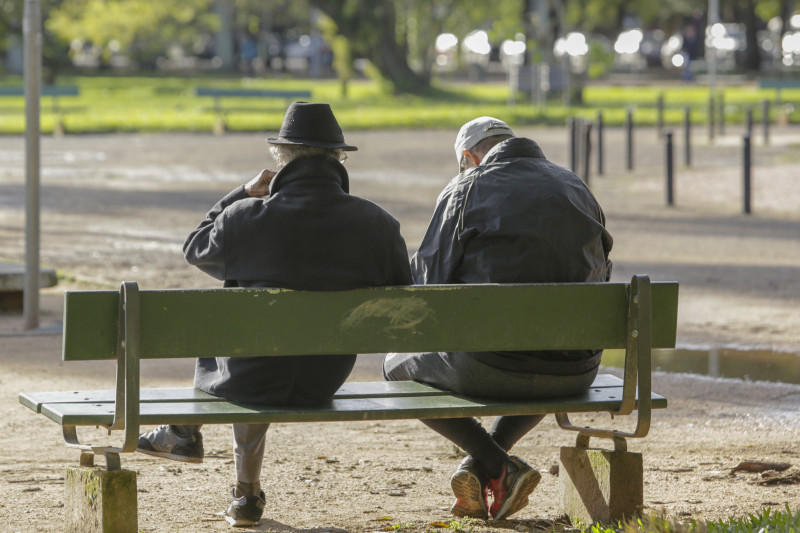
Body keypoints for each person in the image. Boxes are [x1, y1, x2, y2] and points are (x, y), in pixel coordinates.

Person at [137, 102, 413, 527]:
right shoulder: (378, 223)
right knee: (263, 348)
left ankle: (200, 448)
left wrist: (241, 193)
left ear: (282, 159)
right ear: (338, 158)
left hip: (248, 379)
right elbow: (404, 296)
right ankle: (214, 464)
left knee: (248, 342)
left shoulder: (244, 218)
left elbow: (195, 247)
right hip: (323, 377)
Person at [383, 117, 613, 521]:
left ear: (469, 157)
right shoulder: (576, 187)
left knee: (393, 366)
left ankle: (493, 462)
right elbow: (603, 272)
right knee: (543, 345)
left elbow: (427, 288)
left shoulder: (466, 188)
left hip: (490, 368)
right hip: (575, 368)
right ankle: (490, 465)